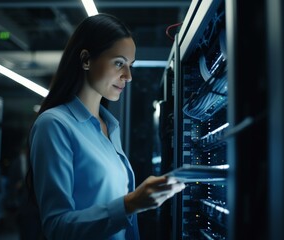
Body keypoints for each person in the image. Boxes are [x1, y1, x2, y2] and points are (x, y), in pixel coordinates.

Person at [26, 13, 185, 240]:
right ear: (86, 60)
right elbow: (57, 228)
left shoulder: (110, 127)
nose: (128, 76)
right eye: (119, 63)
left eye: (130, 65)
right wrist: (131, 203)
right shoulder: (54, 125)